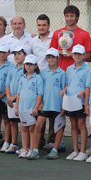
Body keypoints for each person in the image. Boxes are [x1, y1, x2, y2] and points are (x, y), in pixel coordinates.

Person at [28, 48, 66, 160]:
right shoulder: (43, 73)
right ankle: (34, 150)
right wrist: (39, 103)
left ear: (57, 58)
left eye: (53, 57)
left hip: (58, 105)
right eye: (49, 57)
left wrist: (64, 106)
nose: (51, 59)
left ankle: (55, 150)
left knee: (58, 128)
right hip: (45, 105)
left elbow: (64, 89)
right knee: (38, 125)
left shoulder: (62, 73)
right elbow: (39, 90)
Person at [31, 14, 56, 151]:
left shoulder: (55, 38)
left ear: (49, 26)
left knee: (52, 109)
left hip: (52, 77)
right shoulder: (33, 41)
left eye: (44, 25)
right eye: (39, 25)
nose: (41, 27)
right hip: (38, 78)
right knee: (39, 108)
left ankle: (52, 141)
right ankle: (38, 141)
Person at [63, 44, 89, 161]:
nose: (77, 56)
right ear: (72, 55)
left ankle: (83, 151)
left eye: (80, 54)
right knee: (73, 125)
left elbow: (89, 86)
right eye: (75, 54)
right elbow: (67, 83)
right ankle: (75, 150)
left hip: (81, 102)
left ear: (83, 55)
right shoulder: (69, 69)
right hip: (70, 101)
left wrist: (83, 92)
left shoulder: (88, 69)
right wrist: (64, 90)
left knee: (81, 125)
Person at [15, 55, 43, 158]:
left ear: (35, 65)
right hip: (22, 107)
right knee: (24, 128)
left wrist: (36, 107)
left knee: (32, 128)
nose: (28, 66)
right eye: (27, 64)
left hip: (31, 108)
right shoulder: (22, 78)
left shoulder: (38, 78)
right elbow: (19, 94)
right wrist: (17, 107)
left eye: (31, 64)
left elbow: (40, 94)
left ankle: (32, 149)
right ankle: (24, 148)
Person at [50, 5, 91, 71]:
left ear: (77, 17)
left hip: (78, 71)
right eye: (67, 16)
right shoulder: (57, 33)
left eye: (72, 16)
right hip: (60, 71)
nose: (69, 19)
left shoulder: (85, 34)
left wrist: (74, 55)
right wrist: (57, 54)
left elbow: (89, 58)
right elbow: (50, 54)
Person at [5, 46, 27, 154]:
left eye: (19, 54)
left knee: (23, 123)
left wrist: (15, 97)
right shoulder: (12, 68)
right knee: (12, 122)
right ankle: (13, 144)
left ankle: (25, 146)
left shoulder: (27, 69)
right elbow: (7, 84)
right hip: (11, 100)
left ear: (25, 55)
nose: (16, 56)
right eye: (15, 54)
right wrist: (9, 96)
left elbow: (24, 87)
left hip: (21, 101)